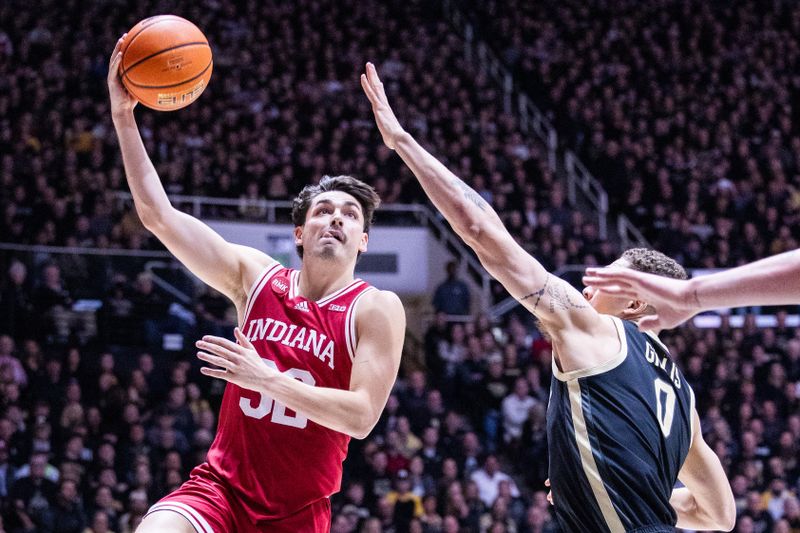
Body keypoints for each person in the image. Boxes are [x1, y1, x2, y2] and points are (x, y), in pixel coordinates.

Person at [361, 62, 735, 532]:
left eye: (606, 273)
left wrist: (401, 141)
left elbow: (481, 232)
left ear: (636, 301)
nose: (588, 279)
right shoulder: (684, 397)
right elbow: (720, 516)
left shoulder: (596, 328)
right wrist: (635, 492)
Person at [107, 39, 405, 533]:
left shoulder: (375, 307)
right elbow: (157, 216)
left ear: (364, 241)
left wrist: (266, 379)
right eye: (323, 211)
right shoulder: (256, 277)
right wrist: (123, 115)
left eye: (350, 215)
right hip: (217, 493)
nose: (336, 219)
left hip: (297, 514)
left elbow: (361, 416)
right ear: (298, 233)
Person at [583, 249, 800, 330]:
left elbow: (547, 286)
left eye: (603, 281)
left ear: (635, 304)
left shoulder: (593, 333)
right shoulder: (685, 395)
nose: (585, 291)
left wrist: (692, 297)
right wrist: (691, 296)